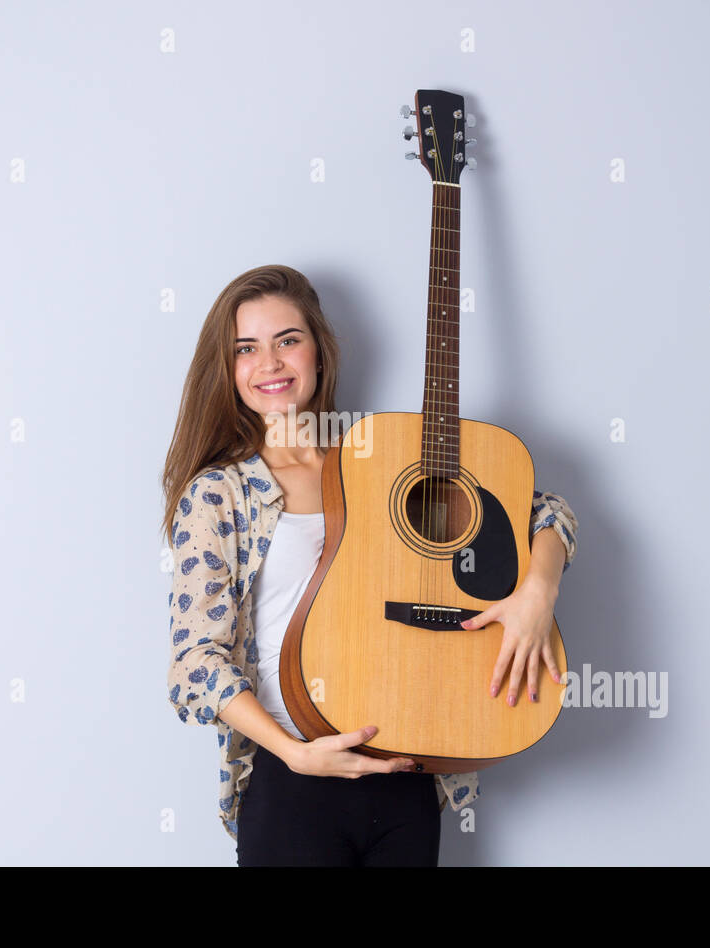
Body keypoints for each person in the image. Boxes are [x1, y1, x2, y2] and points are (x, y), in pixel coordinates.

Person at [161, 264, 578, 866]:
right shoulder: (221, 493)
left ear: (319, 351)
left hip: (408, 770)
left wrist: (537, 595)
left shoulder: (380, 456)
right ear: (226, 371)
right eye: (245, 349)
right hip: (293, 775)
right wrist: (294, 753)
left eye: (288, 340)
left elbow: (544, 511)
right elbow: (195, 663)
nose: (270, 364)